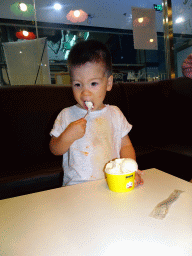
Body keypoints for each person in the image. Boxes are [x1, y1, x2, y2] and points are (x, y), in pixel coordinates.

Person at [49, 39, 143, 187]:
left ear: (109, 83)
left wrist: (131, 169)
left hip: (110, 183)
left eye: (93, 83)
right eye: (78, 84)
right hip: (76, 187)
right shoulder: (66, 115)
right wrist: (67, 136)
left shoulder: (115, 114)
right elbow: (55, 149)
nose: (85, 92)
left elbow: (125, 146)